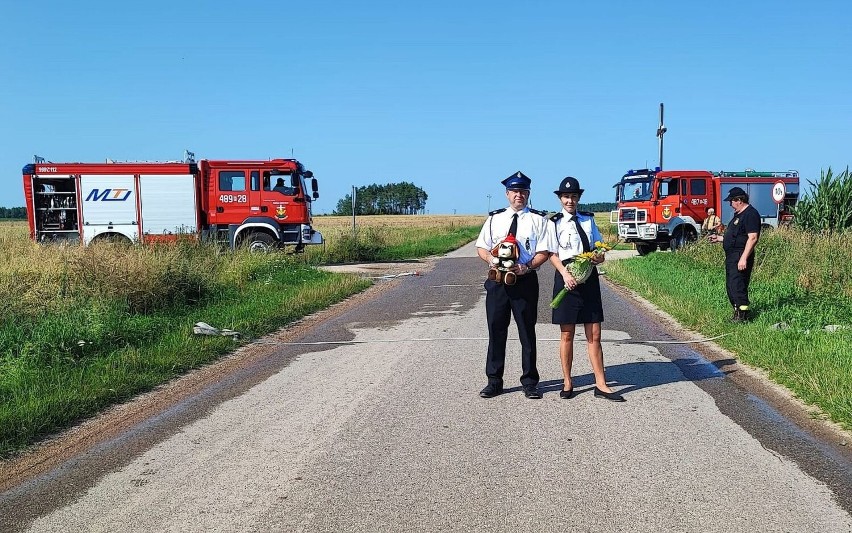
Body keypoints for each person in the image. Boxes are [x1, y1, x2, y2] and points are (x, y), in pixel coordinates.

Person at [475, 171, 554, 399]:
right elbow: (482, 247)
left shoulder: (539, 220)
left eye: (523, 191)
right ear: (507, 194)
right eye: (514, 191)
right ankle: (494, 380)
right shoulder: (495, 219)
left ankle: (529, 382)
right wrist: (491, 259)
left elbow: (544, 251)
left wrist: (527, 266)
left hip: (525, 281)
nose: (519, 195)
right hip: (498, 282)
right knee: (496, 331)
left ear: (528, 194)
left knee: (527, 332)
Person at [548, 176, 625, 402]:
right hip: (566, 277)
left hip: (588, 277)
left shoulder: (588, 220)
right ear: (560, 199)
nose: (570, 200)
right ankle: (568, 381)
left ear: (579, 198)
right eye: (566, 196)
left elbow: (597, 246)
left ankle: (601, 383)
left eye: (573, 196)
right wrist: (565, 274)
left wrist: (599, 257)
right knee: (567, 334)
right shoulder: (554, 223)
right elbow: (552, 253)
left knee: (594, 334)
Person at [708, 187, 761, 322]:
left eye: (731, 201)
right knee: (731, 285)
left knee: (738, 284)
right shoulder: (738, 215)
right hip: (732, 256)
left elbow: (753, 237)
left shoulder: (750, 214)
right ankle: (737, 312)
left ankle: (743, 316)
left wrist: (743, 258)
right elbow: (736, 236)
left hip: (740, 255)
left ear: (739, 200)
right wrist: (720, 239)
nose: (730, 204)